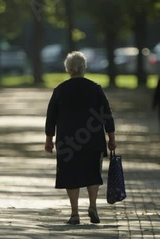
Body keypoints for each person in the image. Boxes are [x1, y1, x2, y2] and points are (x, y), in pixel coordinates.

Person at [45, 51, 117, 225]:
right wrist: (111, 138)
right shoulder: (95, 88)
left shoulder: (60, 90)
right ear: (84, 68)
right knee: (93, 173)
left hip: (68, 141)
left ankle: (74, 212)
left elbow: (51, 117)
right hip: (93, 140)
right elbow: (106, 114)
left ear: (68, 69)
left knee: (70, 175)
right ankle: (92, 206)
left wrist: (49, 139)